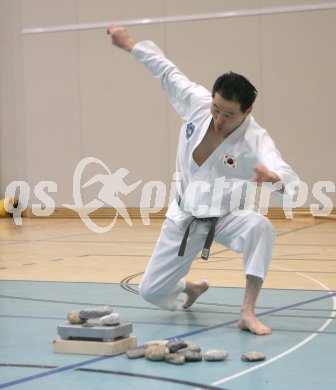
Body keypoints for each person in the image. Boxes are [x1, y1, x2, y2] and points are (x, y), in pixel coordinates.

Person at [107, 25, 299, 335]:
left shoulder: (257, 142)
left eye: (229, 115)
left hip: (225, 217)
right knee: (151, 291)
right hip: (184, 215)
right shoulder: (197, 104)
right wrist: (129, 44)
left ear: (248, 111)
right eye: (216, 108)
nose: (219, 120)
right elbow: (167, 71)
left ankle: (247, 311)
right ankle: (191, 288)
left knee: (261, 228)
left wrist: (273, 179)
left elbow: (289, 188)